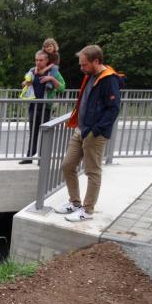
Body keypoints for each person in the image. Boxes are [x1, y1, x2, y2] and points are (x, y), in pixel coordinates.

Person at [55, 45, 125, 222]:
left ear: (96, 61)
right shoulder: (91, 76)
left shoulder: (108, 79)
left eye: (84, 64)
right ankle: (75, 202)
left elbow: (113, 108)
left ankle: (87, 211)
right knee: (68, 165)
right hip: (81, 129)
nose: (81, 68)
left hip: (95, 133)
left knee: (92, 171)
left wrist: (96, 130)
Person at [20, 50, 66, 164]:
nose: (38, 62)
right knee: (33, 132)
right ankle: (29, 156)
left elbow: (62, 87)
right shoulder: (32, 71)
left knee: (44, 132)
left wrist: (51, 79)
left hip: (46, 107)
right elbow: (24, 83)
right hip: (33, 105)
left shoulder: (52, 72)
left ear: (46, 60)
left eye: (41, 60)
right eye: (36, 60)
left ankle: (42, 158)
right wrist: (26, 83)